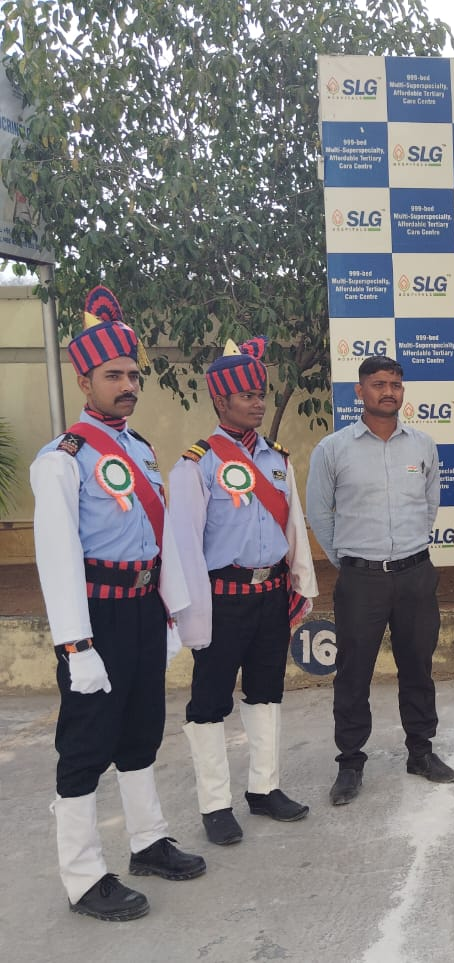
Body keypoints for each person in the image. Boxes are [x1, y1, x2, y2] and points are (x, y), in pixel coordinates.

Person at [31, 286, 205, 922]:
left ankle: (147, 842)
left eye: (133, 374)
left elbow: (160, 541)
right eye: (114, 375)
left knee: (141, 732)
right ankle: (83, 877)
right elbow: (57, 559)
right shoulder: (63, 459)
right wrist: (76, 646)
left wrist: (170, 612)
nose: (128, 385)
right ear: (85, 380)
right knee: (85, 744)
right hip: (95, 617)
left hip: (140, 612)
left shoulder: (140, 450)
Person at [169, 337, 319, 844]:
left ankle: (264, 788)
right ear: (221, 401)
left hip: (270, 592)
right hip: (223, 597)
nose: (258, 403)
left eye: (261, 394)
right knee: (209, 701)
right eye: (248, 396)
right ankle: (215, 804)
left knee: (267, 692)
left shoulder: (277, 459)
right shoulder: (197, 464)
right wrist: (191, 611)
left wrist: (300, 582)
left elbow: (293, 526)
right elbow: (185, 542)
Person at [307, 355, 454, 806]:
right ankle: (350, 763)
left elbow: (429, 505)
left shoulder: (422, 445)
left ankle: (421, 752)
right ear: (360, 391)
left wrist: (408, 551)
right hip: (362, 580)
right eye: (378, 384)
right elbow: (319, 513)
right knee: (354, 673)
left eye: (395, 384)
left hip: (415, 575)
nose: (388, 391)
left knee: (418, 668)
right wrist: (350, 561)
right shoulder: (333, 449)